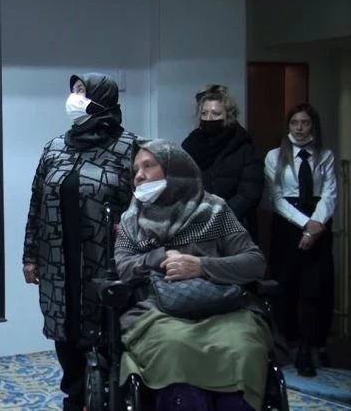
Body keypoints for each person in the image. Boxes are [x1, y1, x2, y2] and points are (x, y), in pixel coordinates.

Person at [115, 139, 271, 411]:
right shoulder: (132, 220)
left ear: (175, 169)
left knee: (242, 347)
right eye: (135, 170)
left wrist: (201, 266)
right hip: (159, 312)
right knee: (174, 346)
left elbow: (255, 262)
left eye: (148, 166)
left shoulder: (214, 211)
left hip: (224, 307)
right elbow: (124, 267)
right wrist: (160, 256)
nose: (138, 175)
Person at [22, 73, 136, 411]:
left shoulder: (129, 147)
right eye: (73, 91)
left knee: (105, 335)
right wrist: (30, 256)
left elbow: (142, 207)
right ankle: (75, 396)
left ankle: (106, 397)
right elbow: (36, 203)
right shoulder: (55, 147)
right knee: (65, 329)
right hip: (58, 260)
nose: (74, 98)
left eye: (83, 91)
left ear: (103, 99)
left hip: (106, 261)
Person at [264, 103, 337, 376]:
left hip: (319, 223)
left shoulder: (324, 155)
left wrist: (316, 225)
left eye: (305, 123)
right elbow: (275, 197)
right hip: (288, 224)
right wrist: (305, 225)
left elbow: (329, 194)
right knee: (285, 286)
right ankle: (288, 343)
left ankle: (312, 345)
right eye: (295, 122)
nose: (299, 128)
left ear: (313, 125)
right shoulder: (275, 156)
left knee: (316, 288)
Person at [181, 84, 264, 239]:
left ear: (228, 116)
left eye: (215, 113)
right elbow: (183, 186)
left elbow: (250, 193)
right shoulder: (190, 146)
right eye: (204, 113)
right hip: (197, 227)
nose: (208, 118)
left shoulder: (244, 148)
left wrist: (217, 216)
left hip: (234, 228)